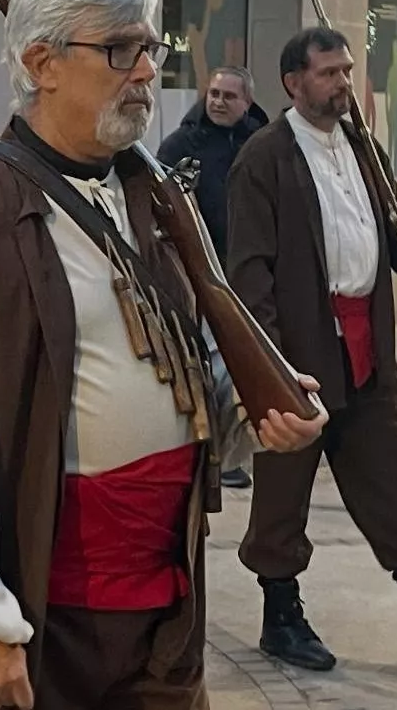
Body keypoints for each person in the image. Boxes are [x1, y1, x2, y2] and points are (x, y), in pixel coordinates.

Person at [0, 0, 326, 710]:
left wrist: (250, 410)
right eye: (120, 50)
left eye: (151, 48)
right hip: (48, 610)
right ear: (42, 63)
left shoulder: (147, 197)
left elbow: (185, 355)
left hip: (165, 598)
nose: (146, 71)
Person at [224, 26, 397, 672]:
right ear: (293, 83)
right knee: (281, 491)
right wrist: (271, 368)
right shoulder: (263, 158)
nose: (343, 84)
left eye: (348, 71)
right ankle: (281, 617)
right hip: (299, 354)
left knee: (394, 476)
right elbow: (250, 271)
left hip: (368, 345)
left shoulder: (363, 147)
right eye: (328, 74)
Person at [157, 66, 269, 490]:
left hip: (250, 276)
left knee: (245, 368)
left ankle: (234, 446)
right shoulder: (182, 145)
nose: (219, 101)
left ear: (247, 103)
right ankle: (215, 453)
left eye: (229, 96)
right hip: (200, 279)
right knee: (211, 365)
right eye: (214, 93)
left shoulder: (262, 146)